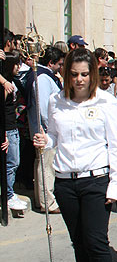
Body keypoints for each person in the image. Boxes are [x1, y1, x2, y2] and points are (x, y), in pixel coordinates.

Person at [32, 48, 117, 262]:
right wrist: (45, 140)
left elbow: (115, 145)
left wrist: (115, 185)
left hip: (96, 179)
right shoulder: (55, 100)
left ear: (92, 74)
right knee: (79, 242)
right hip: (65, 181)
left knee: (96, 241)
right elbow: (54, 136)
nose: (79, 79)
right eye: (74, 74)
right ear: (66, 74)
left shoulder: (106, 102)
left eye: (85, 74)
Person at [26, 46, 65, 214]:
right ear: (51, 63)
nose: (60, 67)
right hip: (45, 129)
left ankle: (41, 199)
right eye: (59, 64)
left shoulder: (41, 75)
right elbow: (43, 106)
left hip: (43, 128)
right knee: (46, 166)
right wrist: (49, 129)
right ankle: (47, 202)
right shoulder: (42, 77)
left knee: (43, 164)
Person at [2, 51, 28, 211]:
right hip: (8, 129)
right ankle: (8, 194)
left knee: (14, 162)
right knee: (11, 163)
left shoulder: (12, 81)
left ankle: (10, 193)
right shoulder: (5, 86)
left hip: (13, 127)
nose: (18, 67)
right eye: (16, 64)